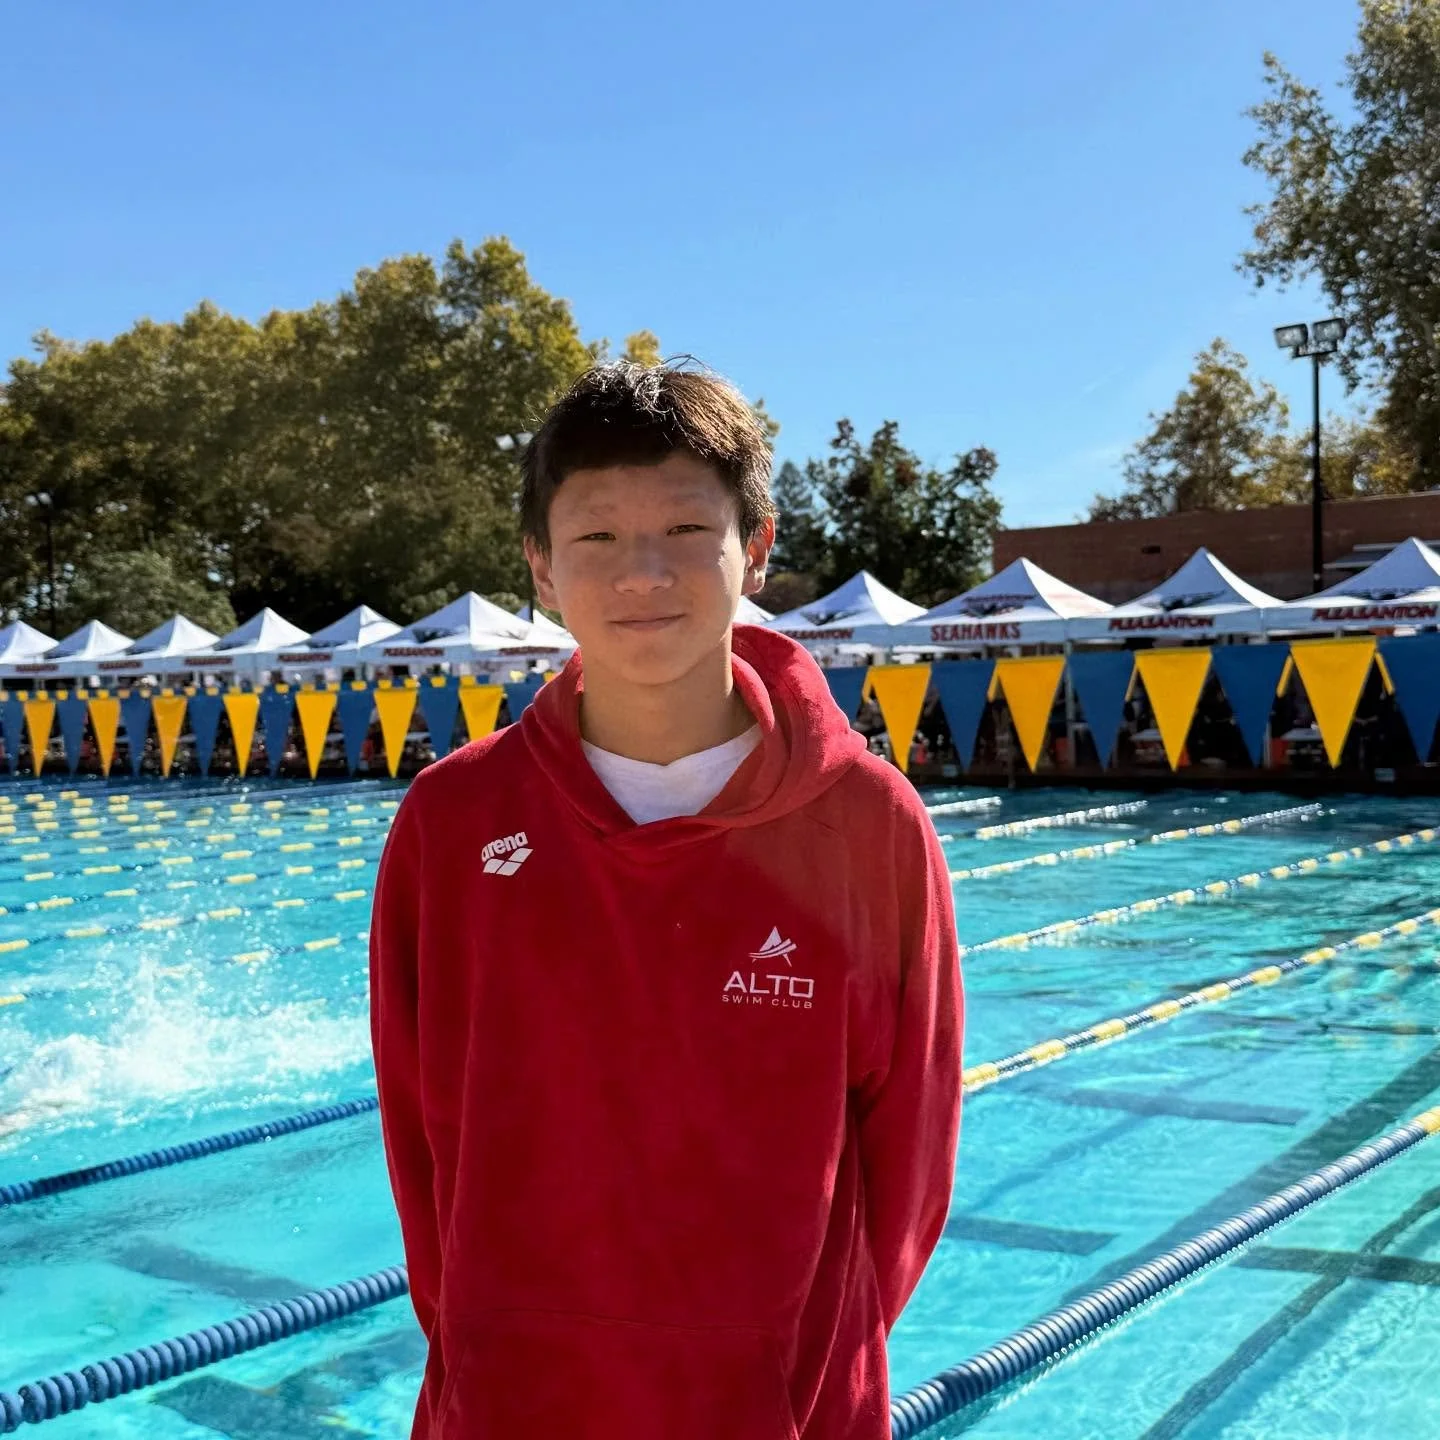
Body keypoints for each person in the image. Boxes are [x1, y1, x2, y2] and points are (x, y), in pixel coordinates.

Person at [370, 360, 964, 1439]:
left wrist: (794, 1370)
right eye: (595, 538)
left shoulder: (865, 825)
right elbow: (419, 1140)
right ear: (540, 567)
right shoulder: (452, 824)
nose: (642, 571)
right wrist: (484, 1347)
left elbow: (911, 1166)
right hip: (507, 1406)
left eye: (688, 530)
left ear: (757, 547)